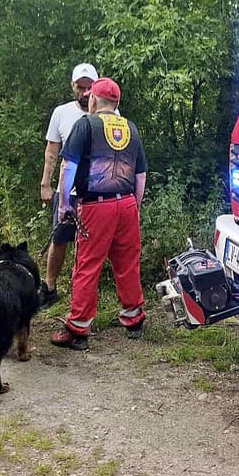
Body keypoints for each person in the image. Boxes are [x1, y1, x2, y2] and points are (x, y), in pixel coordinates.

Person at [50, 77, 147, 351]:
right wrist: (135, 207)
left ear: (93, 99)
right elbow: (140, 175)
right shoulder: (131, 127)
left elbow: (68, 166)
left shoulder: (85, 125)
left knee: (87, 264)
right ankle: (134, 318)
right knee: (127, 262)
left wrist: (64, 204)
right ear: (117, 103)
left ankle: (78, 327)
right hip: (126, 203)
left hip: (96, 205)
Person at [39, 62, 99, 305]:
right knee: (60, 237)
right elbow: (52, 150)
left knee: (91, 242)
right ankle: (50, 287)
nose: (85, 92)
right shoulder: (61, 113)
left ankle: (83, 291)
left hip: (96, 190)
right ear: (72, 86)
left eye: (89, 87)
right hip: (67, 190)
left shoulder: (109, 113)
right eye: (80, 86)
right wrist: (45, 183)